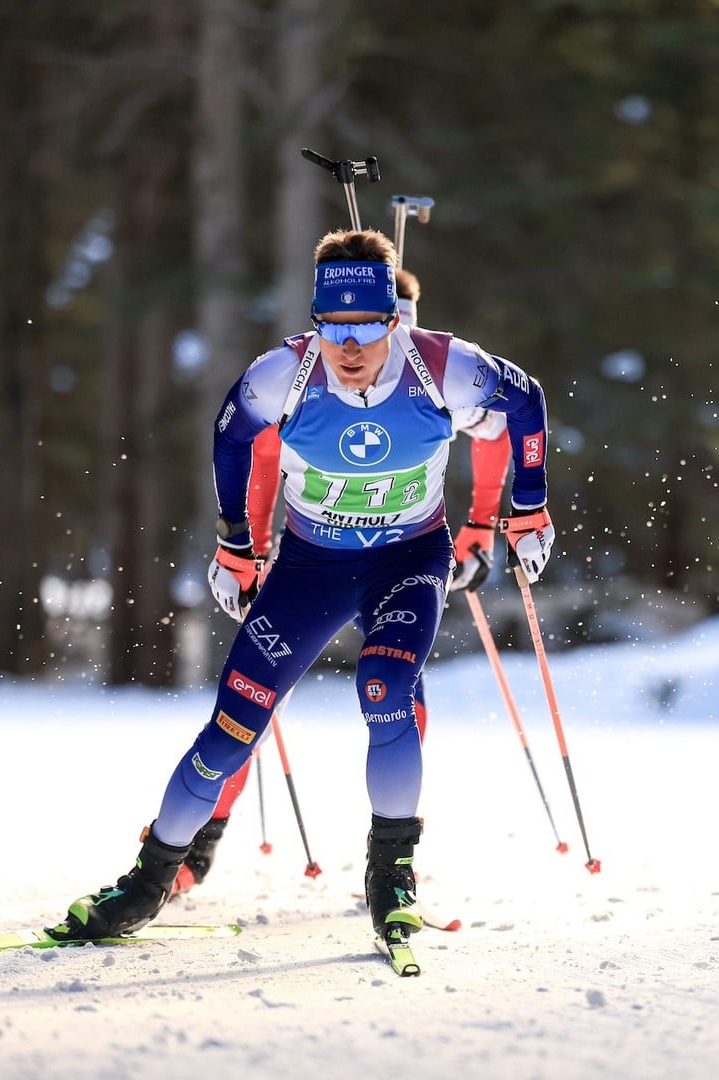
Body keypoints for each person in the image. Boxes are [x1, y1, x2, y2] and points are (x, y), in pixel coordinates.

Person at [49, 228, 555, 949]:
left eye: (366, 328)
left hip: (405, 560)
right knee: (229, 732)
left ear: (393, 320)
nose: (349, 348)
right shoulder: (280, 375)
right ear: (316, 320)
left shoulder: (447, 367)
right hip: (308, 569)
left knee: (385, 689)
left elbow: (526, 402)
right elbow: (232, 437)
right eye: (333, 327)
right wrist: (235, 541)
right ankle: (148, 880)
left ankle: (392, 874)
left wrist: (525, 506)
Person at [170, 266, 515, 897]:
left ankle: (394, 857)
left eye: (404, 325)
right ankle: (201, 837)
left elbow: (494, 430)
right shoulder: (316, 373)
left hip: (404, 555)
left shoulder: (435, 373)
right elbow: (263, 454)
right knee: (253, 703)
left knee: (397, 692)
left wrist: (482, 525)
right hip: (317, 554)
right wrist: (249, 546)